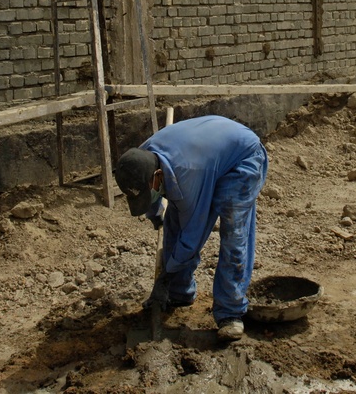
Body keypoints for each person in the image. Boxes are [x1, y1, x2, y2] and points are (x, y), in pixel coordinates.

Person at [114, 115, 268, 341]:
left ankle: (230, 312)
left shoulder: (187, 174)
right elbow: (154, 194)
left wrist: (164, 276)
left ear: (158, 177)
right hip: (207, 154)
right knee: (173, 223)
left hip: (243, 157)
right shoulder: (141, 158)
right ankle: (179, 293)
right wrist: (154, 212)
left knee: (233, 231)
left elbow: (193, 236)